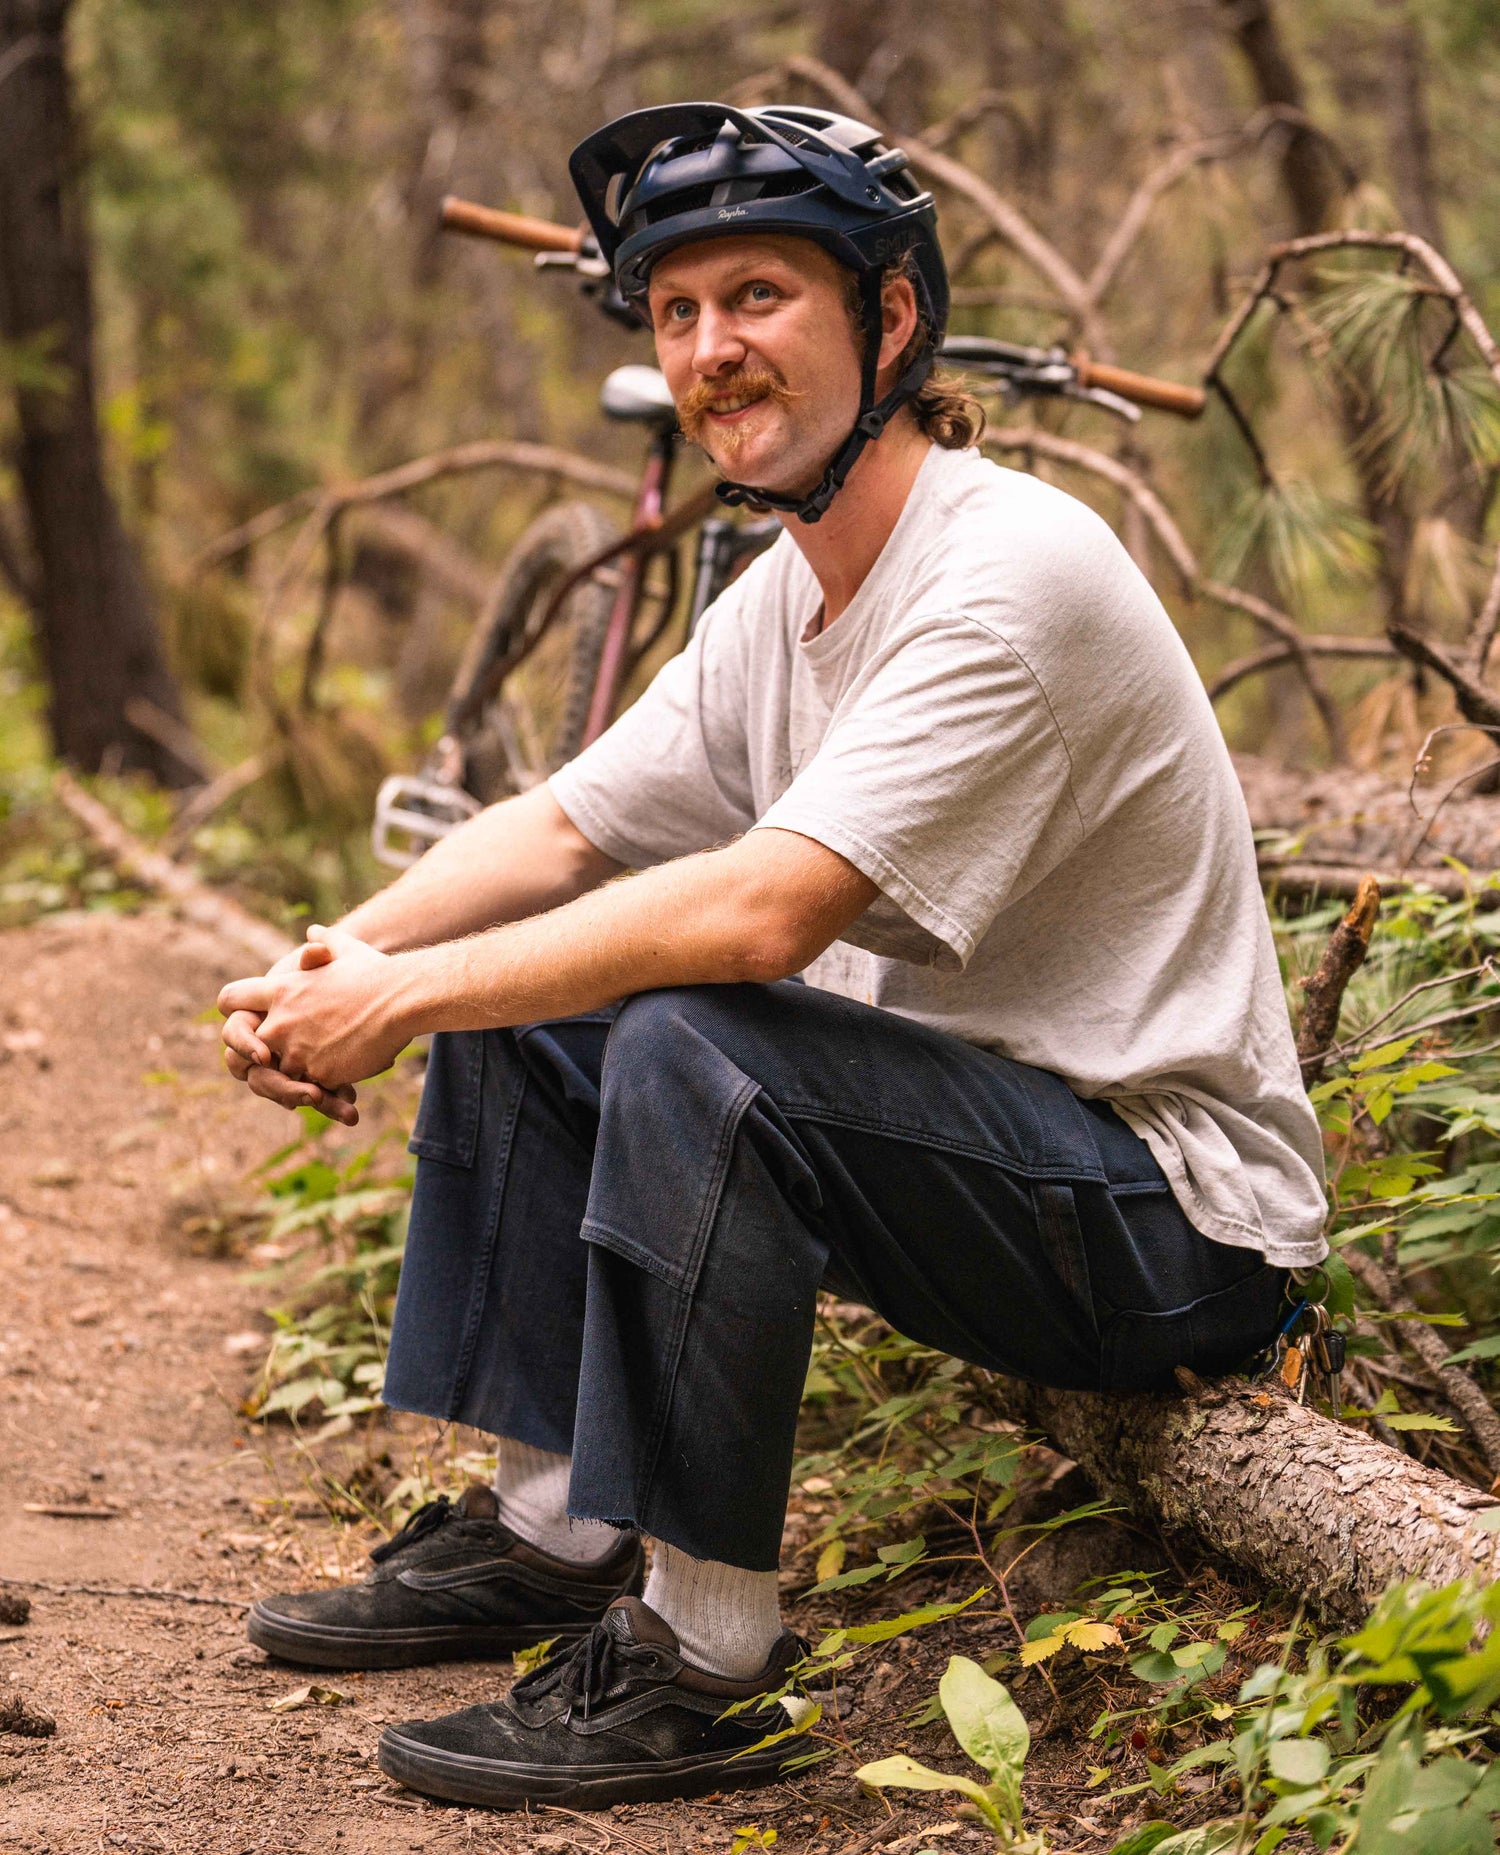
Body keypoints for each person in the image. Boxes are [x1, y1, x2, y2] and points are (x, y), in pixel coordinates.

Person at [217, 102, 1327, 1813]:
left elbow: (762, 918)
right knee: (540, 990)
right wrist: (334, 962)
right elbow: (568, 829)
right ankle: (556, 1527)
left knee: (692, 1030)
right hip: (972, 1158)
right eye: (676, 311)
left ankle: (703, 1657)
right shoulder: (782, 597)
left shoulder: (1009, 571)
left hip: (1167, 1222)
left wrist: (402, 999)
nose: (710, 349)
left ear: (889, 321)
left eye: (758, 297)